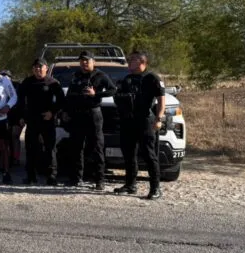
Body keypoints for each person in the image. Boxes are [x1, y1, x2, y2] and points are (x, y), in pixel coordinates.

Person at [113, 51, 166, 200]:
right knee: (129, 154)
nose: (129, 63)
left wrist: (159, 118)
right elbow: (118, 97)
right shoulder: (127, 79)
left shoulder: (151, 78)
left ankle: (155, 188)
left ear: (142, 62)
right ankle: (130, 185)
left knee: (149, 155)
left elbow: (161, 99)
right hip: (128, 121)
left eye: (133, 60)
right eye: (129, 60)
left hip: (144, 121)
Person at [62, 50, 116, 190]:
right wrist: (66, 111)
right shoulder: (76, 75)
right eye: (82, 61)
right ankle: (76, 178)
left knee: (97, 147)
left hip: (93, 114)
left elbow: (112, 90)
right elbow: (69, 95)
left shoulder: (100, 75)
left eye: (87, 60)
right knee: (76, 147)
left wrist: (96, 94)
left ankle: (99, 180)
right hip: (77, 115)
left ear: (93, 61)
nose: (84, 63)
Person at [18, 58, 64, 185]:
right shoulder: (27, 82)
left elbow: (61, 101)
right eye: (35, 67)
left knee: (50, 149)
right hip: (32, 120)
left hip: (47, 120)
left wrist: (52, 112)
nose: (38, 69)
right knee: (31, 148)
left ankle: (52, 176)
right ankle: (30, 175)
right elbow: (20, 100)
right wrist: (22, 116)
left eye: (40, 67)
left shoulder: (53, 83)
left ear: (46, 68)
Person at [0, 69, 23, 169]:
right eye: (2, 76)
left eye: (7, 76)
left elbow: (23, 100)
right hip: (3, 114)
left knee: (15, 136)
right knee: (4, 136)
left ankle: (16, 158)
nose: (5, 78)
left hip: (16, 114)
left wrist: (23, 116)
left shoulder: (18, 85)